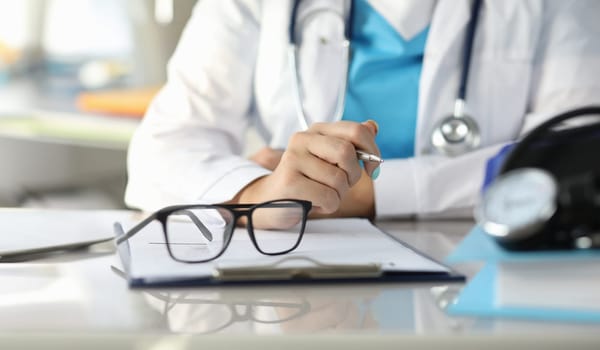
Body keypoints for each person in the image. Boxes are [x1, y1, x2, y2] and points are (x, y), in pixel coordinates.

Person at [125, 0, 600, 221]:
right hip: (300, 269)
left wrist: (362, 194)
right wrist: (260, 193)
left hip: (480, 263)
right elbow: (162, 149)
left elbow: (578, 155)